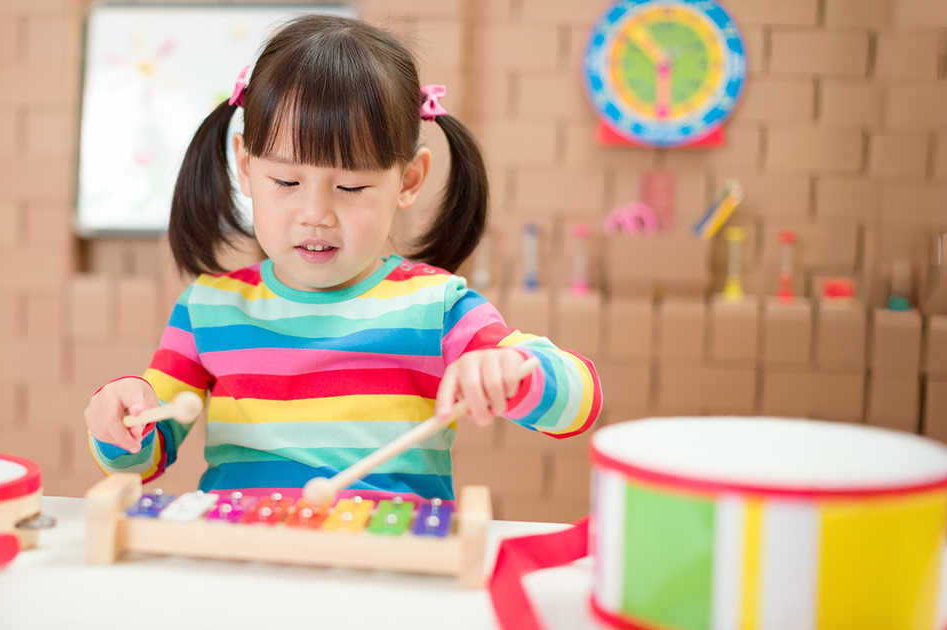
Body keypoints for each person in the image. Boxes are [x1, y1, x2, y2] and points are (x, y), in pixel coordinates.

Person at [83, 14, 601, 502]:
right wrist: (123, 419)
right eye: (286, 181)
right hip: (242, 565)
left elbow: (580, 404)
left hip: (386, 570)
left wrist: (517, 372)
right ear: (244, 166)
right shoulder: (208, 310)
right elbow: (138, 466)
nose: (315, 214)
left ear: (409, 180)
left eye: (351, 186)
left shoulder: (438, 307)